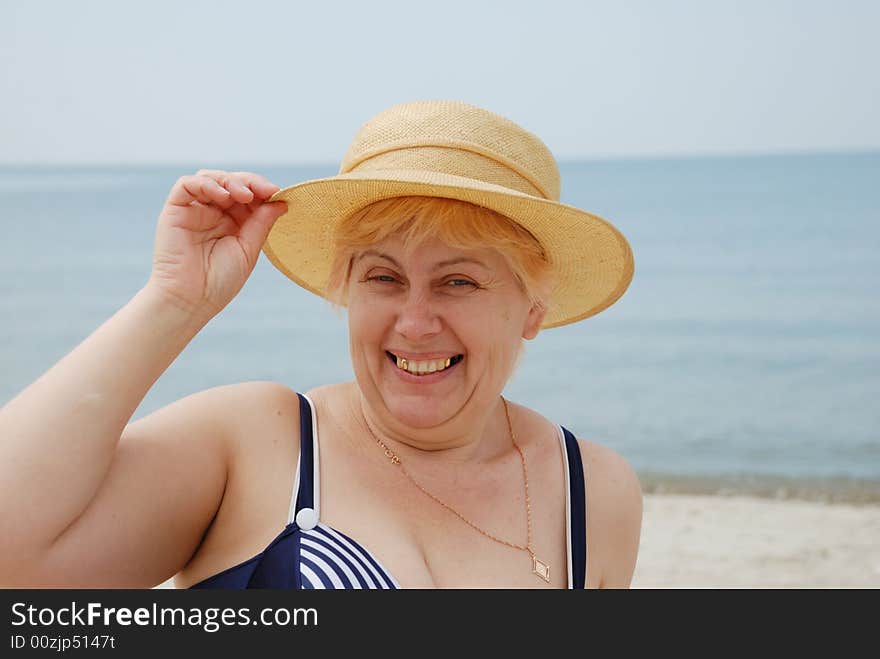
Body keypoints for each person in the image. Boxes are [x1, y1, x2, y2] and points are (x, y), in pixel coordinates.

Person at [0, 100, 641, 589]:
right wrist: (175, 301)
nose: (415, 323)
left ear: (531, 309)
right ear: (345, 291)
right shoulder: (255, 441)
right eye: (384, 278)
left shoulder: (592, 489)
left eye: (459, 282)